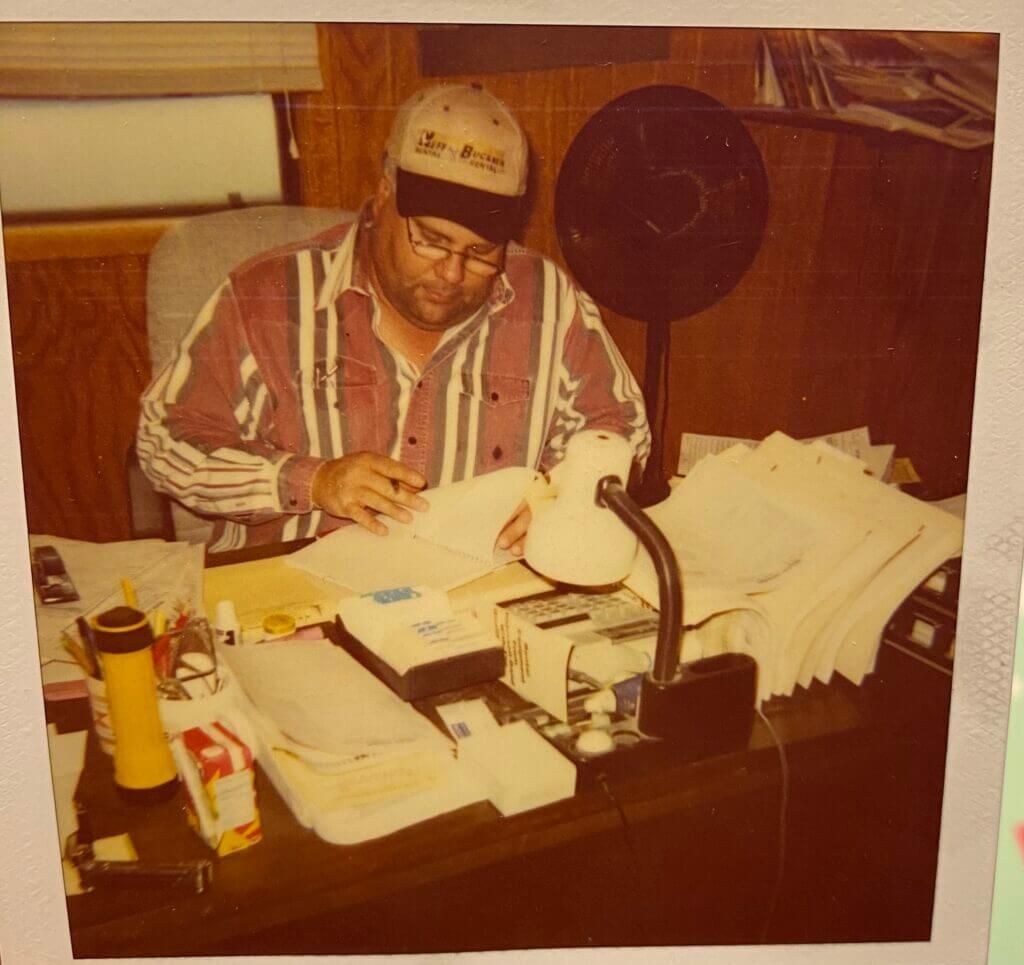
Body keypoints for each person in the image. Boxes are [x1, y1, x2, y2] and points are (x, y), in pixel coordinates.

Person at [137, 83, 650, 554]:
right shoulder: (266, 297)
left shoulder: (549, 301)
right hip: (297, 595)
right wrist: (312, 481)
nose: (451, 273)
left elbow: (621, 428)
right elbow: (165, 441)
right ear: (384, 196)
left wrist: (564, 495)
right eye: (431, 240)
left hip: (477, 590)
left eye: (479, 252)